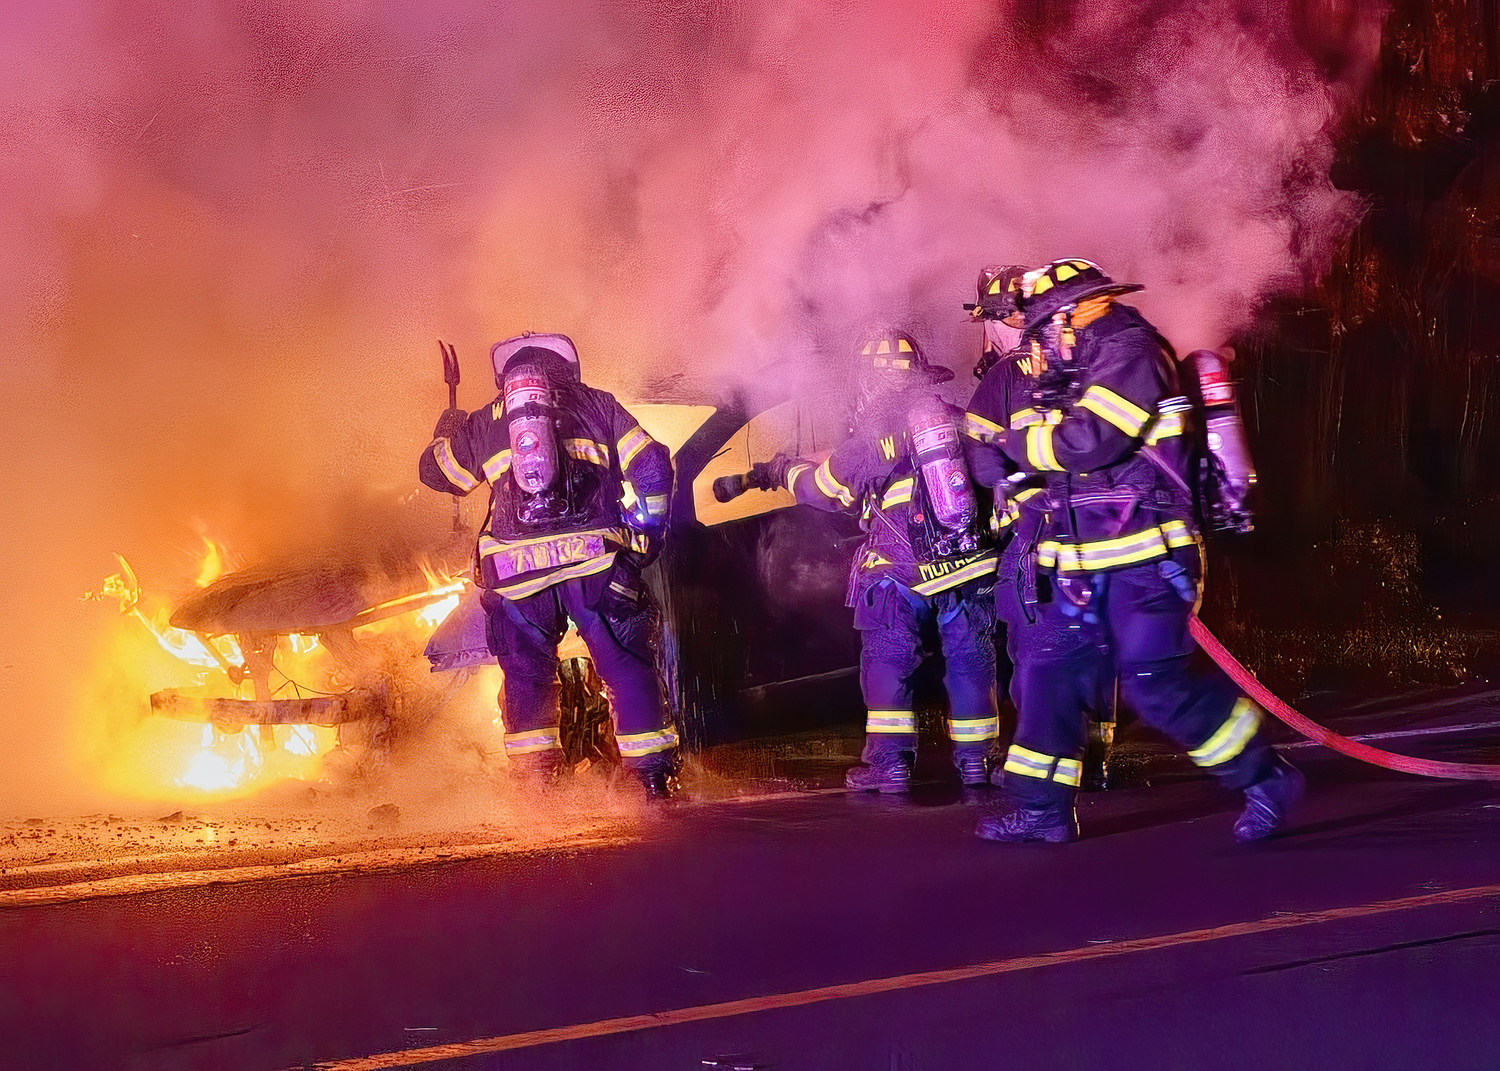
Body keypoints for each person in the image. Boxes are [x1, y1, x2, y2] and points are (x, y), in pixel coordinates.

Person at [962, 259, 1303, 842]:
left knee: (1153, 681)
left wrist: (1013, 445)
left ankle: (1265, 778)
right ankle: (1043, 810)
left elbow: (1088, 443)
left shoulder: (1133, 354)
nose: (1040, 340)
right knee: (1049, 676)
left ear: (1075, 313)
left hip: (1148, 559)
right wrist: (1003, 468)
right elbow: (1057, 471)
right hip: (1083, 562)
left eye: (1046, 326)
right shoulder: (1076, 368)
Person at [419, 332, 680, 798]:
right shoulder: (598, 404)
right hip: (596, 569)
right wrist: (651, 532)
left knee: (525, 679)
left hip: (518, 583)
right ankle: (651, 786)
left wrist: (447, 428)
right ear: (566, 366)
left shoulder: (486, 421)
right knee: (625, 667)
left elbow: (438, 474)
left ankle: (538, 799)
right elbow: (654, 469)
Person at [760, 328, 1002, 793]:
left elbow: (827, 492)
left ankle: (890, 766)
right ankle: (977, 762)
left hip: (899, 567)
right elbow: (995, 466)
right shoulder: (955, 417)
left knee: (890, 660)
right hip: (964, 560)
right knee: (971, 660)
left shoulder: (873, 431)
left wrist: (784, 470)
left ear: (868, 382)